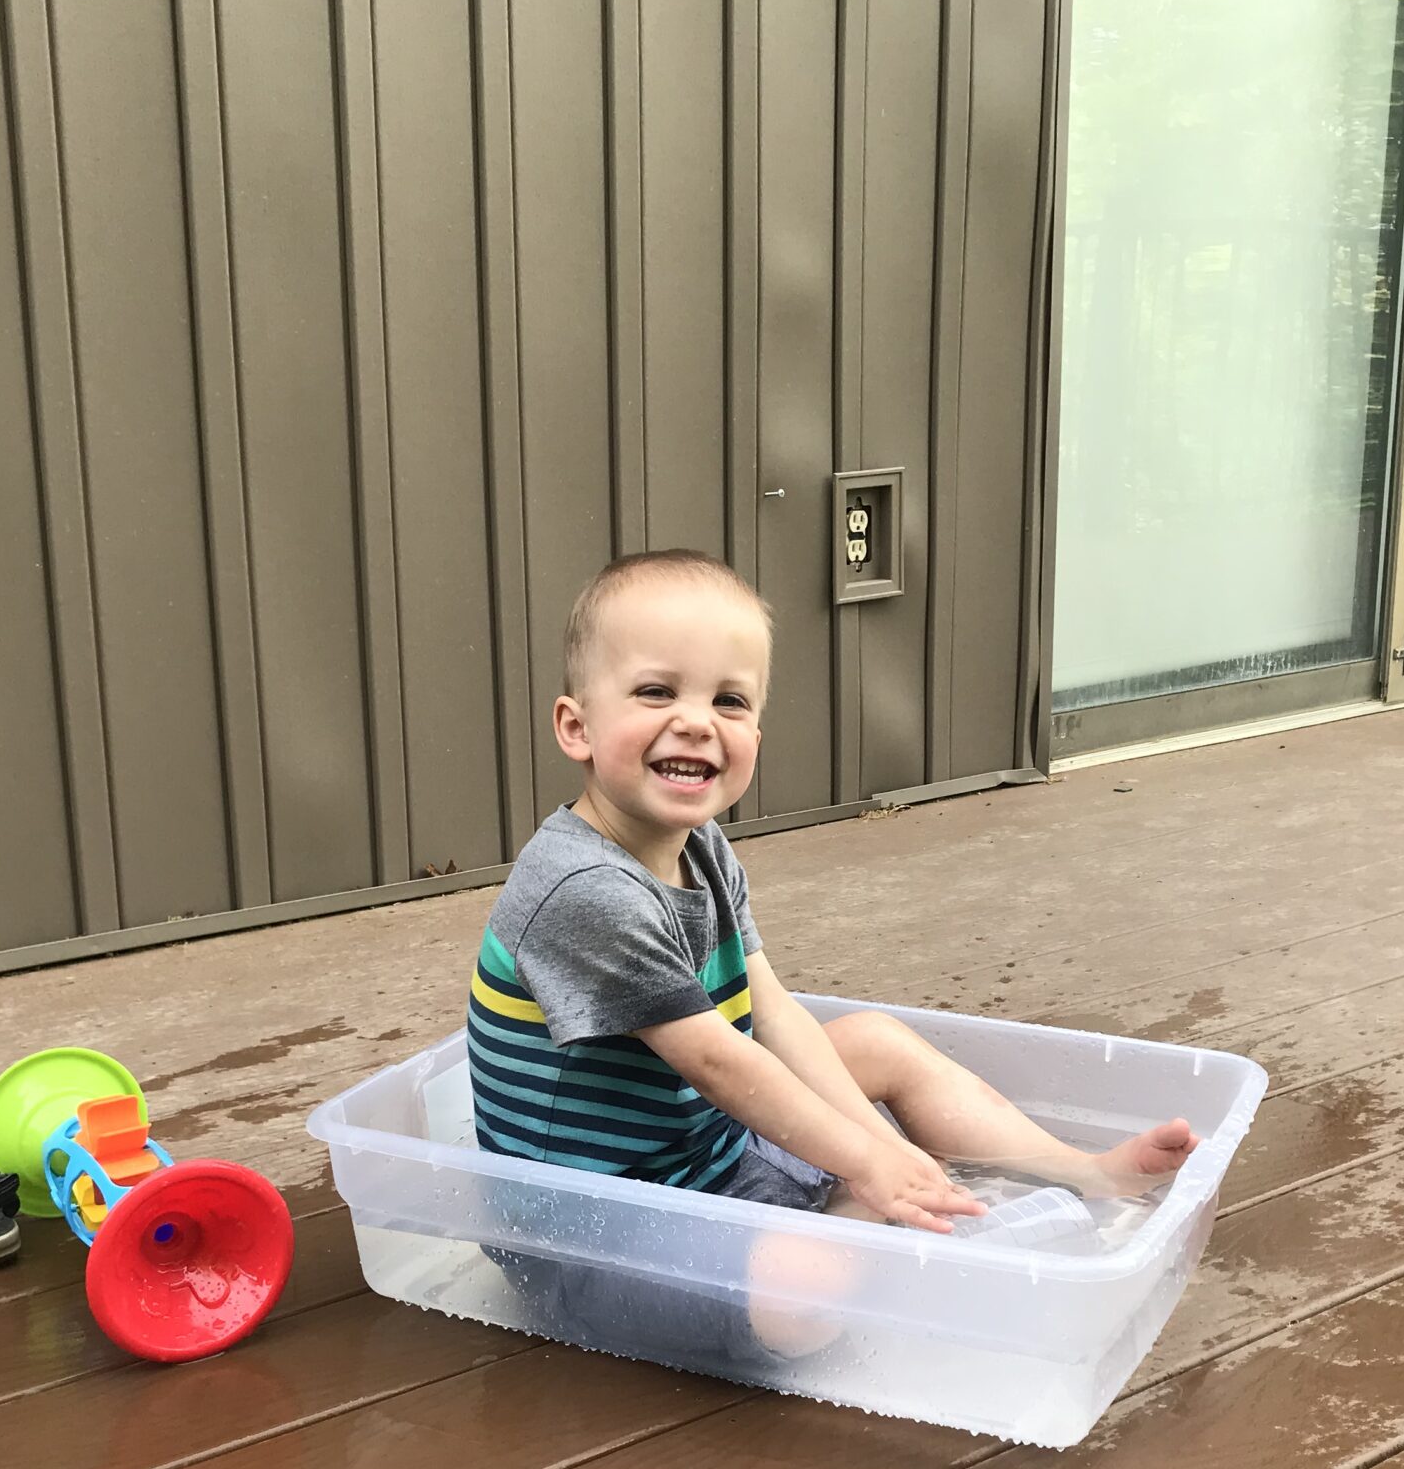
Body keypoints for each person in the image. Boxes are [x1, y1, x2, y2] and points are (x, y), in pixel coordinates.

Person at [467, 548, 1198, 1359]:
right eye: (655, 691)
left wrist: (880, 1151)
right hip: (598, 1230)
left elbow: (771, 1014)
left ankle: (1081, 1172)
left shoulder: (702, 847)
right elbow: (721, 1064)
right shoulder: (581, 888)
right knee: (802, 1291)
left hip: (706, 1148)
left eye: (731, 700)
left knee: (875, 1042)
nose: (696, 720)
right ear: (576, 726)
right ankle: (873, 1219)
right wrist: (872, 1163)